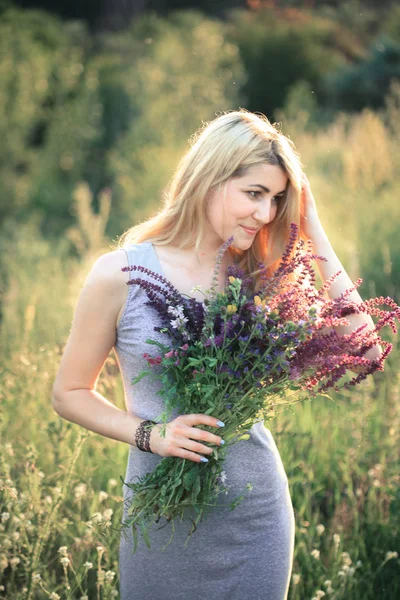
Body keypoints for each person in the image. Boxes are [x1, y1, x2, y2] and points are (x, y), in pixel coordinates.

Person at [52, 109, 382, 600]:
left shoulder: (262, 277)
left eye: (276, 200)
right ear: (208, 179)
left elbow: (366, 348)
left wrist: (312, 229)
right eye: (254, 194)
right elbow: (69, 393)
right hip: (159, 516)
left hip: (256, 516)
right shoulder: (119, 274)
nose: (266, 214)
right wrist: (152, 434)